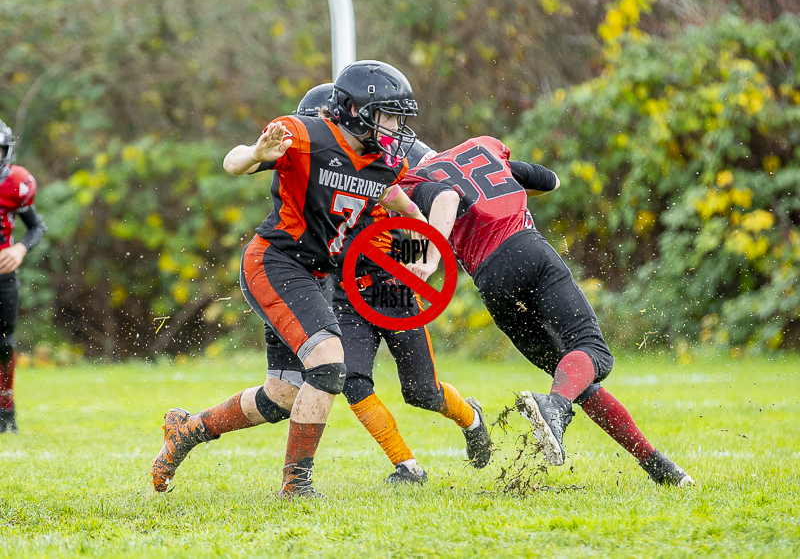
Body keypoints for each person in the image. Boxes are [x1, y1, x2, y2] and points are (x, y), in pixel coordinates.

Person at [151, 61, 427, 498]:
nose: (396, 126)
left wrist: (422, 253)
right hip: (275, 261)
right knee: (330, 363)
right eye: (388, 115)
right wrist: (256, 155)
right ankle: (296, 485)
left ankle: (187, 430)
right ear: (355, 110)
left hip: (313, 276)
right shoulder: (304, 135)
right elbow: (232, 160)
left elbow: (403, 210)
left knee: (281, 395)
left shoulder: (380, 164)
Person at [400, 136, 694, 487]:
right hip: (528, 250)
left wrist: (426, 254)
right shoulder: (481, 148)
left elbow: (431, 213)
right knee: (593, 353)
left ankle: (658, 466)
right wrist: (504, 180)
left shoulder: (412, 181)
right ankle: (554, 408)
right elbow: (550, 180)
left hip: (492, 282)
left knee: (572, 378)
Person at [330, 136, 491, 484]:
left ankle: (471, 418)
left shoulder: (376, 167)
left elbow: (413, 211)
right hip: (345, 294)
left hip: (392, 289)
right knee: (353, 380)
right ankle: (407, 466)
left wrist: (418, 262)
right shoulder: (313, 175)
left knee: (422, 392)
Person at [0, 118, 47, 434]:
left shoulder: (15, 183)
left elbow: (36, 226)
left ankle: (6, 411)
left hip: (2, 274)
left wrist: (19, 250)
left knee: (4, 343)